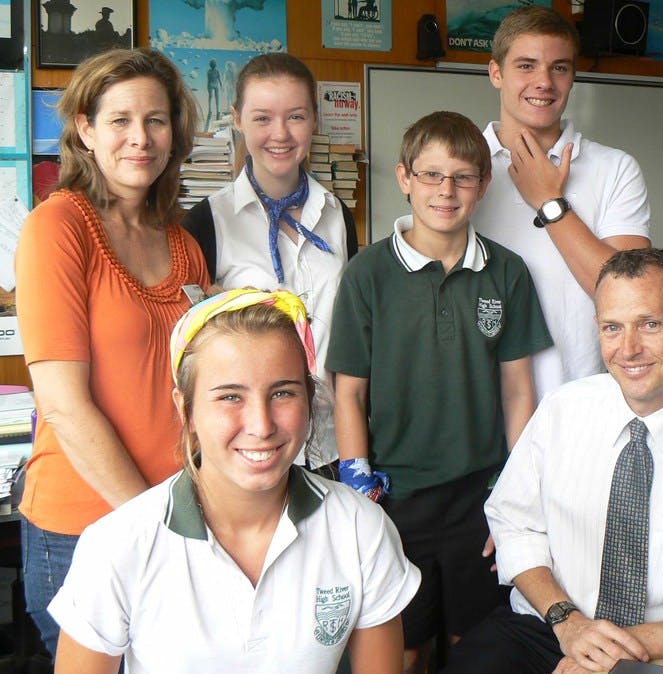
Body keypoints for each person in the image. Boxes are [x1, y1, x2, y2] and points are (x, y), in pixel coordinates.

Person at [444, 248, 663, 674]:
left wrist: (611, 646)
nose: (629, 349)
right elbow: (514, 521)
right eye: (612, 327)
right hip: (553, 624)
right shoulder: (561, 411)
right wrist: (569, 624)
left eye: (650, 324)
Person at [48, 289, 421, 674]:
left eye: (282, 393)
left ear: (308, 399)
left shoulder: (360, 528)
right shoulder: (119, 545)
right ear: (186, 408)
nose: (261, 426)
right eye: (230, 397)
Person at [327, 111, 552, 673]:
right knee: (401, 648)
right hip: (396, 498)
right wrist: (359, 485)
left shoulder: (508, 272)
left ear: (484, 183)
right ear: (404, 178)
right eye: (430, 175)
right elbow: (349, 393)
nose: (445, 191)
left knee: (471, 643)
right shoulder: (367, 275)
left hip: (481, 497)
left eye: (462, 177)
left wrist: (514, 491)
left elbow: (517, 390)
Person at [14, 48, 208, 659]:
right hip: (85, 527)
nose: (140, 138)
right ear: (85, 129)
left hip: (179, 516)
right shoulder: (57, 228)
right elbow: (65, 406)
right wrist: (158, 524)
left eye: (156, 120)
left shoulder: (183, 244)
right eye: (119, 120)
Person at [183, 53, 358, 475]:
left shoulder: (338, 215)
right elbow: (194, 351)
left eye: (295, 116)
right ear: (237, 118)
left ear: (314, 119)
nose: (280, 134)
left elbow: (352, 334)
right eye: (262, 118)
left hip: (333, 444)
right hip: (251, 447)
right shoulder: (207, 222)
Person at [473, 6, 651, 399]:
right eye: (526, 65)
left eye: (559, 68)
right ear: (495, 73)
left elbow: (631, 296)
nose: (544, 82)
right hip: (479, 408)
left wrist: (549, 202)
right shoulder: (460, 171)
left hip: (584, 400)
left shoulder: (616, 168)